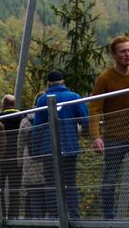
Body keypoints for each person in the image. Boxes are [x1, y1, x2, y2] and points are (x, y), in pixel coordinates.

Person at [90, 35, 129, 219]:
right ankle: (108, 216)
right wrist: (96, 136)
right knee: (110, 178)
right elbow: (95, 108)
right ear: (114, 55)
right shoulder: (105, 79)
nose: (127, 55)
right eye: (123, 51)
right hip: (114, 137)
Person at [32, 71, 89, 218]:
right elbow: (85, 119)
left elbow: (37, 127)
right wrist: (86, 133)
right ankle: (74, 214)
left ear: (48, 83)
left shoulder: (42, 100)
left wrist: (35, 150)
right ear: (63, 81)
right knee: (70, 182)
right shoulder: (73, 97)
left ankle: (54, 215)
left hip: (48, 149)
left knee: (51, 184)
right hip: (69, 146)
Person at [0, 95, 24, 219]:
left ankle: (1, 215)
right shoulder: (22, 117)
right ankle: (14, 216)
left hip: (1, 159)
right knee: (15, 189)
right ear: (14, 104)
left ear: (3, 105)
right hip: (17, 158)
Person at [18, 108, 45, 218]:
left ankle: (36, 221)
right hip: (46, 160)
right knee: (48, 193)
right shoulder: (49, 117)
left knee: (33, 193)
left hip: (30, 160)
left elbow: (20, 144)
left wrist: (19, 163)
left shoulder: (25, 121)